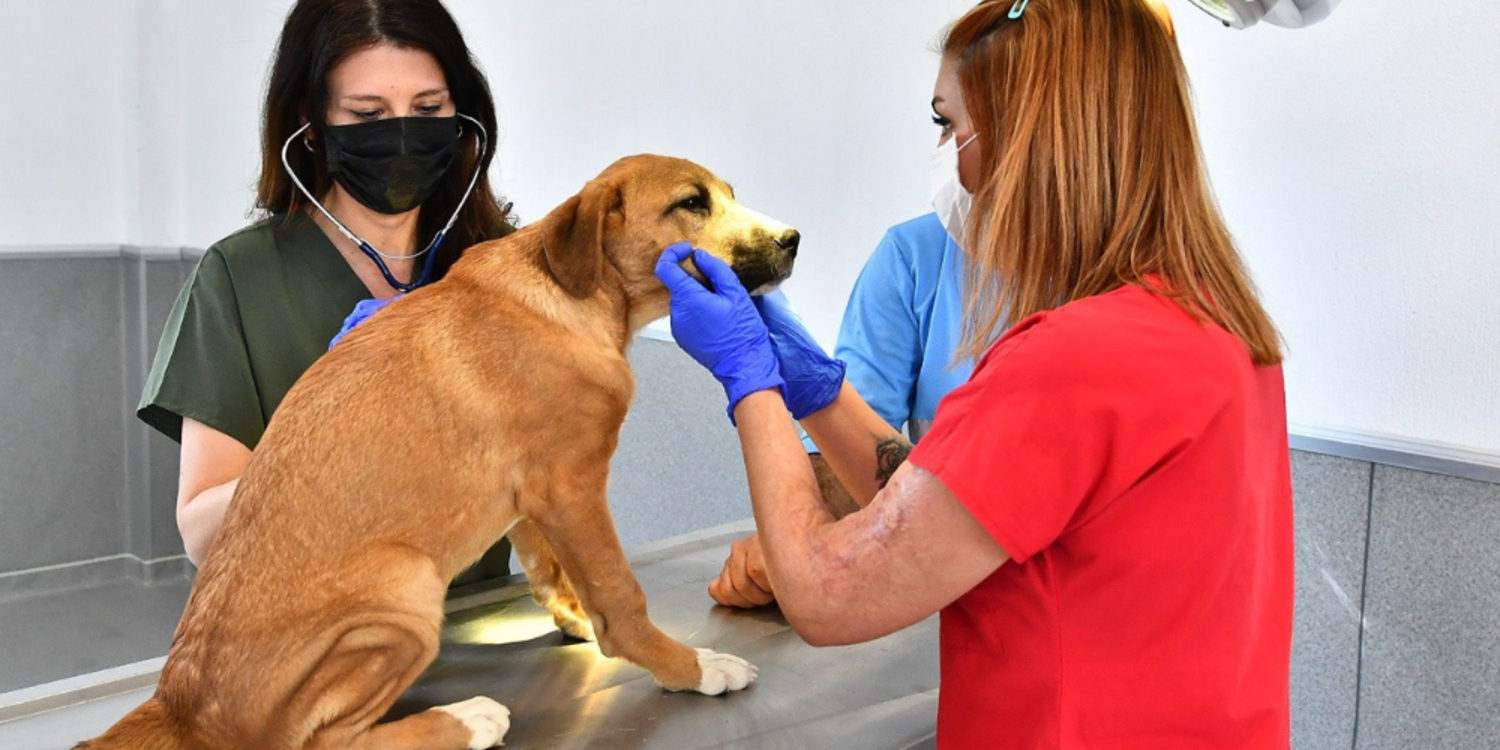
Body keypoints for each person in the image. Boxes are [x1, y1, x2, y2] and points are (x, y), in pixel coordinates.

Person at [658, 0, 1294, 747]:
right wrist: (816, 390)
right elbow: (946, 514)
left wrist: (751, 380)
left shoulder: (1071, 360)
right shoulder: (1212, 323)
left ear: (1031, 141)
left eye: (949, 125)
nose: (948, 157)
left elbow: (825, 594)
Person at [138, 0, 516, 577]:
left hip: (483, 627)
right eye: (368, 115)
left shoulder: (500, 267)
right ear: (310, 126)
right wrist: (335, 439)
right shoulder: (239, 279)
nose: (404, 135)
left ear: (462, 115)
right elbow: (203, 538)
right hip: (317, 643)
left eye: (429, 107)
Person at [708, 213, 973, 608]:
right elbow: (855, 458)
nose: (948, 152)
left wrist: (802, 552)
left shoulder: (1088, 313)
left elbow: (821, 619)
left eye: (958, 144)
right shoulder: (917, 255)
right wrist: (806, 537)